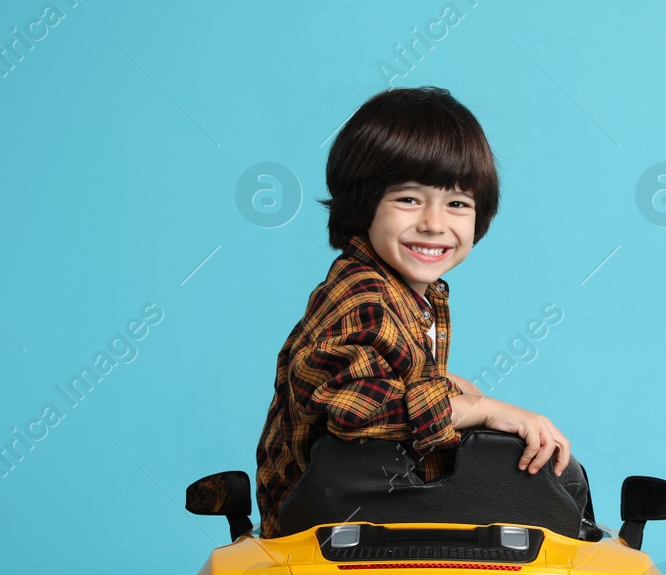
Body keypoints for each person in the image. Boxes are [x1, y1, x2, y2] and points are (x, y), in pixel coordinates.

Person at [254, 86, 596, 538]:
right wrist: (481, 410)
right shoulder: (363, 297)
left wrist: (448, 386)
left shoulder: (407, 294)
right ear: (363, 204)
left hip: (373, 501)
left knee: (553, 470)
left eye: (457, 204)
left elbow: (387, 370)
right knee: (555, 478)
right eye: (409, 199)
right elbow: (356, 411)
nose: (435, 223)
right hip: (330, 518)